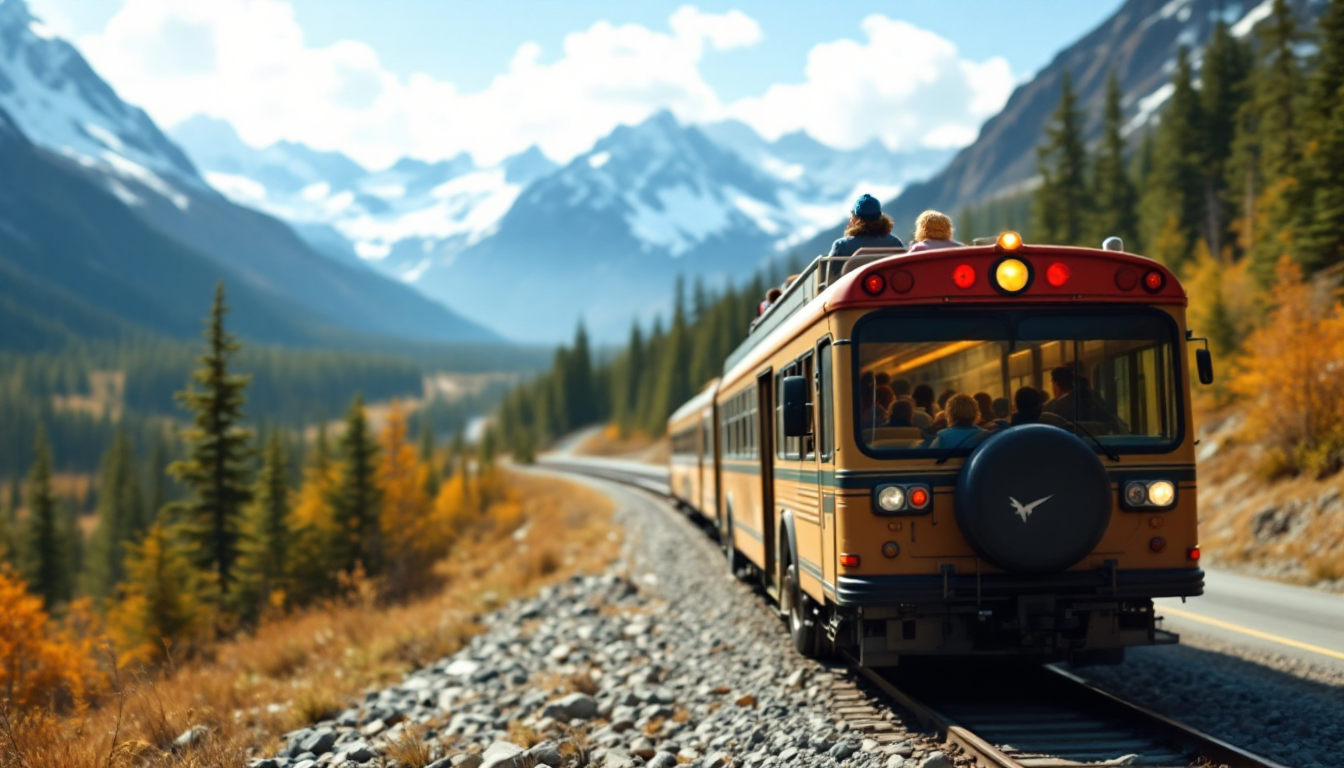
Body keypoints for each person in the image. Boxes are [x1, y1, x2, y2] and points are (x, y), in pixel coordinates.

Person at [828, 194, 905, 257]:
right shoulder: (895, 243)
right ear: (880, 217)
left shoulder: (841, 246)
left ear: (855, 218)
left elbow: (830, 271)